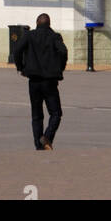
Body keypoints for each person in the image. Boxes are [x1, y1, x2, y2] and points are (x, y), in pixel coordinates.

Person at [17, 12, 68, 150]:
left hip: (33, 80)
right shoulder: (55, 37)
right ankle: (47, 137)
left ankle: (39, 144)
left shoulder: (29, 35)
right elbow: (63, 51)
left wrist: (21, 67)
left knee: (36, 114)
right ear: (49, 24)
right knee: (56, 113)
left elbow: (17, 50)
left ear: (37, 23)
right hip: (50, 81)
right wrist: (60, 68)